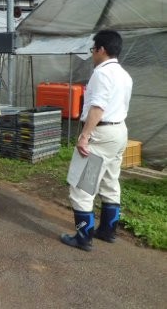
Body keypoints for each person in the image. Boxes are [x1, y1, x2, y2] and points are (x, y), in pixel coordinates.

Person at [60, 29, 132, 251]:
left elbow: (98, 107)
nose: (92, 54)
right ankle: (107, 231)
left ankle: (83, 238)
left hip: (99, 134)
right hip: (119, 132)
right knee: (110, 181)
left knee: (82, 187)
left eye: (93, 49)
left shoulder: (102, 73)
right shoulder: (124, 74)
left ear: (102, 49)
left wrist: (84, 136)